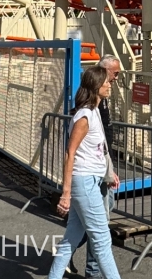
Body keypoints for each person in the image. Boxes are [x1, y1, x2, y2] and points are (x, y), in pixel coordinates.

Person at [47, 67, 121, 279]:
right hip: (85, 182)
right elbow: (70, 153)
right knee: (102, 240)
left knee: (72, 238)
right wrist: (66, 193)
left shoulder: (95, 111)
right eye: (106, 82)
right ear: (97, 86)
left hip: (92, 180)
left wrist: (109, 173)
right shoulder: (84, 115)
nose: (109, 85)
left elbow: (99, 149)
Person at [74, 55, 122, 278]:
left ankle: (65, 253)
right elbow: (76, 149)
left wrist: (109, 168)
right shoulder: (87, 110)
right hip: (92, 173)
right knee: (99, 227)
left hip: (101, 168)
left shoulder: (101, 101)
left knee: (87, 224)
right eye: (113, 75)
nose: (114, 81)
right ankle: (93, 271)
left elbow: (103, 139)